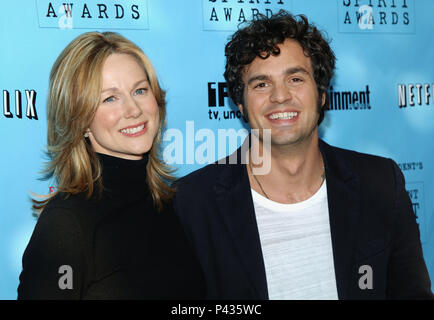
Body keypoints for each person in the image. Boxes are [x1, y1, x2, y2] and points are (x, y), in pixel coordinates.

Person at [174, 11, 433, 299]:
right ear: (240, 105)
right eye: (261, 84)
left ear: (322, 94)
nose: (280, 96)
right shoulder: (194, 203)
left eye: (295, 79)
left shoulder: (382, 184)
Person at [18, 32, 204, 299]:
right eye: (110, 98)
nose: (133, 110)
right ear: (79, 119)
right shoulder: (67, 224)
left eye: (140, 90)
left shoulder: (170, 204)